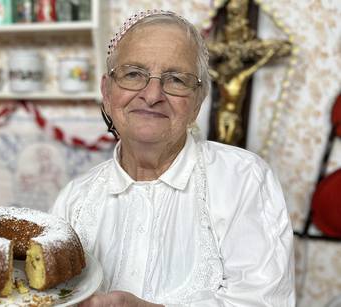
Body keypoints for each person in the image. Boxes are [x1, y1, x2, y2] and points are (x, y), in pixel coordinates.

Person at [50, 9, 295, 307]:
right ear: (107, 91)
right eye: (133, 74)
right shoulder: (75, 199)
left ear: (198, 101)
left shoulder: (244, 180)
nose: (152, 94)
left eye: (176, 79)